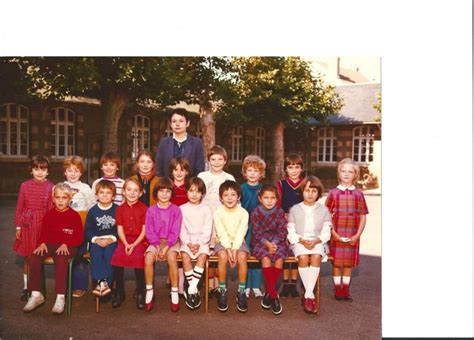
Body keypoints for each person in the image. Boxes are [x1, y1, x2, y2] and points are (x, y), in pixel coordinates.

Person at [22, 183, 84, 314]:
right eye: (58, 197)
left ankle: (60, 296)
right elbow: (43, 233)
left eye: (64, 197)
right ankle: (36, 294)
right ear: (53, 198)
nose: (61, 200)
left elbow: (79, 237)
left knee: (61, 259)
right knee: (34, 256)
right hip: (50, 244)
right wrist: (43, 242)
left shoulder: (74, 216)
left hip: (69, 246)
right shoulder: (49, 214)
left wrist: (66, 243)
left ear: (70, 199)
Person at [325, 158, 369, 302]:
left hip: (352, 234)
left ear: (355, 174)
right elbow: (326, 216)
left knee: (348, 263)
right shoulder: (333, 193)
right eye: (343, 171)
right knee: (337, 263)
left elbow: (363, 216)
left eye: (350, 171)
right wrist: (333, 234)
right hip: (337, 233)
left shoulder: (359, 194)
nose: (346, 174)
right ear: (339, 173)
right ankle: (338, 289)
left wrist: (357, 235)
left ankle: (346, 289)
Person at [287, 176, 332, 314]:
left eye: (314, 191)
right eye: (307, 190)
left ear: (318, 193)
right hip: (299, 241)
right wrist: (301, 240)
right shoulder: (295, 209)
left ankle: (307, 295)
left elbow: (326, 233)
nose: (310, 194)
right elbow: (291, 233)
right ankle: (309, 295)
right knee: (303, 257)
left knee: (316, 256)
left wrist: (317, 240)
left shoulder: (324, 210)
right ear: (302, 192)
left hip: (317, 241)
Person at [13, 155, 54, 301]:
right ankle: (26, 287)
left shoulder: (51, 187)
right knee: (27, 258)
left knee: (38, 257)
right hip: (27, 225)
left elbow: (51, 211)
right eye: (36, 169)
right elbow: (20, 207)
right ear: (31, 170)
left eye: (43, 169)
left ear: (48, 171)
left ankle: (38, 288)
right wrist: (18, 227)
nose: (39, 172)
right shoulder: (24, 186)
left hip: (42, 226)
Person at [198, 145, 235, 295]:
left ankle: (220, 285)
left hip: (223, 219)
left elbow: (234, 201)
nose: (216, 162)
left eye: (220, 159)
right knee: (208, 251)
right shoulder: (203, 176)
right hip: (206, 218)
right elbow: (198, 196)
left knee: (220, 252)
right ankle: (209, 283)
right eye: (213, 159)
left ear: (225, 161)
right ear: (208, 160)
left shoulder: (229, 178)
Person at [143, 177, 182, 312]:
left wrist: (167, 246)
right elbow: (149, 230)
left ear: (172, 193)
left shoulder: (176, 210)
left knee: (171, 258)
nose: (164, 194)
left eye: (167, 191)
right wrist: (156, 245)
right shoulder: (151, 210)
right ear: (156, 192)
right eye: (161, 191)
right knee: (148, 258)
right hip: (156, 241)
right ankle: (149, 291)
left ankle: (175, 292)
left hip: (172, 241)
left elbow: (175, 230)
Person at [251, 184, 289, 315]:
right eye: (266, 197)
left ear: (277, 199)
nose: (269, 200)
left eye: (272, 198)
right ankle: (274, 295)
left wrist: (274, 243)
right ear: (260, 198)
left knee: (279, 260)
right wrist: (267, 244)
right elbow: (256, 232)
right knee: (266, 259)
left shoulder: (279, 212)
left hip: (278, 242)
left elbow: (282, 231)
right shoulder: (255, 212)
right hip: (261, 242)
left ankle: (268, 293)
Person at [110, 177, 148, 309]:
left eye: (136, 190)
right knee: (117, 258)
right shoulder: (119, 209)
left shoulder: (144, 209)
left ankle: (140, 292)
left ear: (141, 193)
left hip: (139, 241)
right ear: (124, 192)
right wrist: (126, 244)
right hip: (124, 239)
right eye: (129, 190)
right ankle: (120, 292)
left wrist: (134, 244)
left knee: (139, 259)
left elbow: (144, 231)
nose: (132, 193)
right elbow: (119, 229)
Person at [213, 180, 249, 313]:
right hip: (222, 242)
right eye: (226, 195)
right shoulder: (218, 212)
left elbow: (241, 232)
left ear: (238, 197)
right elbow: (221, 232)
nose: (229, 198)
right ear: (221, 198)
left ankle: (241, 291)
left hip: (239, 242)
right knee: (222, 256)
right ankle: (222, 290)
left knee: (242, 256)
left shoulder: (243, 213)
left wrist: (234, 249)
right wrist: (228, 249)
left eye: (233, 194)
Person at [179, 177, 213, 310]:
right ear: (186, 191)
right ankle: (193, 289)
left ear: (202, 193)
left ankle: (192, 288)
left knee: (203, 256)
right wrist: (188, 243)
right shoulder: (182, 209)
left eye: (198, 191)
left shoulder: (206, 209)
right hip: (187, 241)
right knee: (185, 257)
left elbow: (207, 228)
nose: (194, 194)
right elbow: (181, 228)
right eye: (191, 191)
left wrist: (199, 243)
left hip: (202, 241)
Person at [64, 155, 95, 298]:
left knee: (80, 257)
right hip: (64, 228)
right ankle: (65, 285)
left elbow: (90, 206)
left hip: (81, 228)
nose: (72, 173)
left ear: (81, 172)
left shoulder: (85, 188)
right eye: (69, 170)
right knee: (65, 256)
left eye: (76, 170)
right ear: (65, 172)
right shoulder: (60, 186)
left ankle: (80, 286)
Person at [276, 153, 305, 298]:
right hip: (285, 222)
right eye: (290, 167)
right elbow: (278, 205)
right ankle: (285, 283)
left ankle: (293, 282)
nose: (294, 170)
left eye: (297, 167)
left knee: (296, 252)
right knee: (286, 252)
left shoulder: (305, 184)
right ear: (286, 169)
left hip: (301, 223)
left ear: (301, 169)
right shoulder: (281, 184)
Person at [85, 180, 118, 298]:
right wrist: (95, 240)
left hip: (112, 240)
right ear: (96, 195)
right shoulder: (93, 211)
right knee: (96, 254)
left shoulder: (117, 209)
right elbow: (88, 230)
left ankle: (104, 283)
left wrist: (112, 239)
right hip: (97, 240)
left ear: (113, 196)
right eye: (101, 192)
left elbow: (120, 229)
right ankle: (102, 282)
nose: (104, 195)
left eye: (108, 193)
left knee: (109, 255)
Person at [240, 155, 265, 299]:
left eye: (256, 171)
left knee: (258, 255)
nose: (252, 173)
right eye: (250, 170)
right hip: (245, 226)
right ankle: (245, 285)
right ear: (245, 172)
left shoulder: (263, 189)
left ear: (261, 173)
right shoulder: (241, 188)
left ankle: (255, 285)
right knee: (245, 254)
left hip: (260, 227)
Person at [155, 108, 205, 177]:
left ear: (187, 123)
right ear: (171, 124)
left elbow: (200, 168)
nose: (177, 124)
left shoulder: (196, 143)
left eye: (181, 121)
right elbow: (159, 168)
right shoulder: (164, 143)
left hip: (189, 185)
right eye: (174, 121)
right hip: (168, 185)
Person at [168, 156, 191, 294]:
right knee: (174, 255)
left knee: (184, 254)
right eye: (175, 170)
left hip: (187, 226)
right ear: (171, 172)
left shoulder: (189, 188)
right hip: (171, 227)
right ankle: (177, 284)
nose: (179, 173)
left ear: (187, 172)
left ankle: (183, 284)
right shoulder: (168, 188)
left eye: (182, 170)